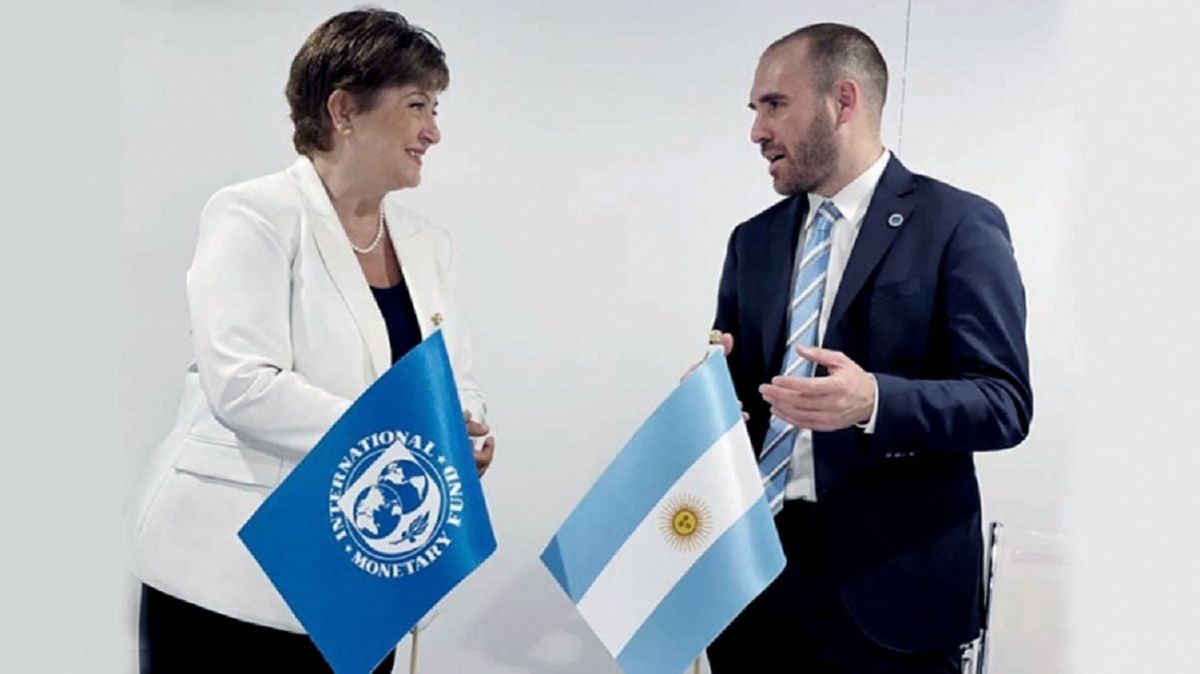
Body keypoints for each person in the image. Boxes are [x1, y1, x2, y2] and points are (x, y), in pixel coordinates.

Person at [127, 9, 495, 673]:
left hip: (365, 581)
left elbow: (454, 381)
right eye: (417, 106)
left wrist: (463, 431)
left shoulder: (430, 246)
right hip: (231, 581)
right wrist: (409, 440)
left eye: (435, 109)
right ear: (343, 109)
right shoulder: (252, 213)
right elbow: (245, 385)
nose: (433, 132)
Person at [704, 23, 1032, 674]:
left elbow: (1003, 403)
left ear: (843, 101)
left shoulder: (958, 225)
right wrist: (710, 400)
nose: (757, 131)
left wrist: (874, 401)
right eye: (755, 110)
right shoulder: (753, 241)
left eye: (775, 105)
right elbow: (739, 388)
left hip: (891, 596)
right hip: (752, 585)